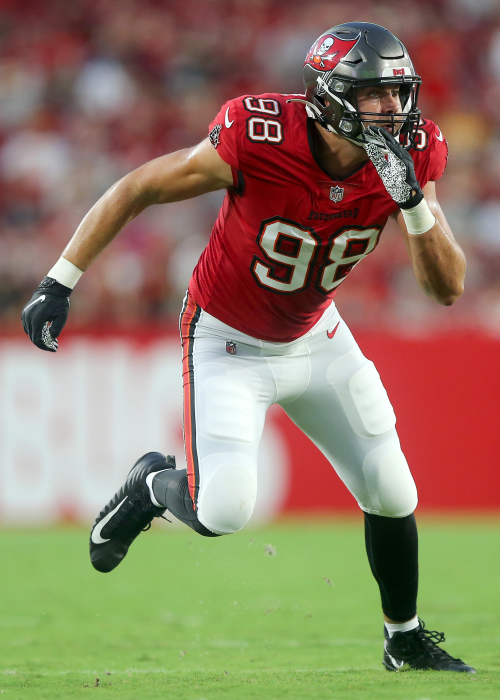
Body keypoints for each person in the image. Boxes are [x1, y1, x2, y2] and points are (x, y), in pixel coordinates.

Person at [21, 22, 474, 673]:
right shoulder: (260, 134)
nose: (393, 109)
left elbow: (447, 288)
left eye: (399, 92)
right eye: (374, 94)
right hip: (226, 339)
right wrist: (60, 280)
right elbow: (141, 185)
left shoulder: (414, 153)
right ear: (330, 96)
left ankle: (403, 639)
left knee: (392, 488)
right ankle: (153, 484)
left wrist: (413, 206)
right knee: (225, 509)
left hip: (316, 335)